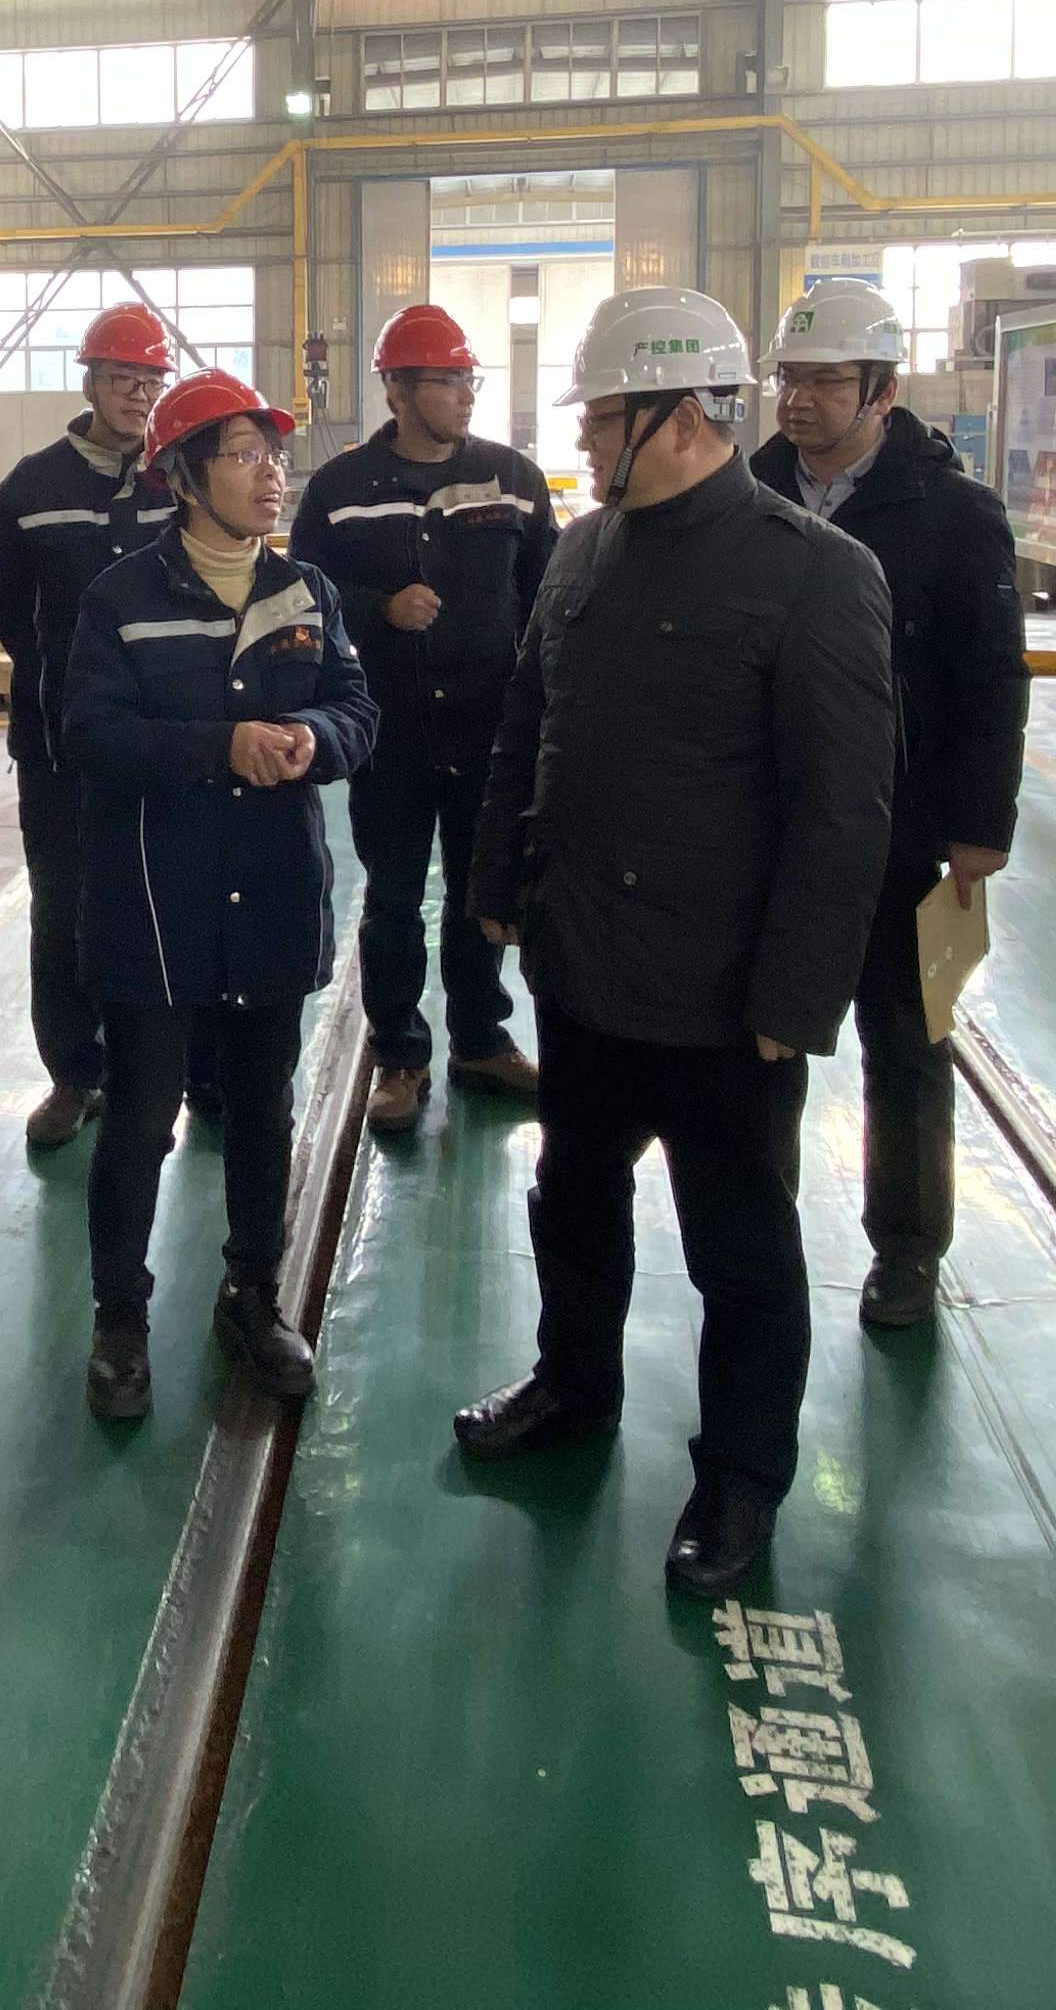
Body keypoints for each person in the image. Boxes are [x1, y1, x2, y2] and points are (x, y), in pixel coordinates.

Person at [455, 288, 896, 1595]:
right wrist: (498, 880)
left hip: (724, 995)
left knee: (739, 1247)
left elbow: (844, 811)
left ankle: (742, 1478)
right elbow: (528, 726)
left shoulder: (815, 572)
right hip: (585, 964)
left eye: (603, 416)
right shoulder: (583, 554)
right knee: (572, 1195)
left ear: (679, 414)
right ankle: (573, 1384)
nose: (586, 439)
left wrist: (796, 998)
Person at [62, 368, 378, 1420]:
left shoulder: (306, 591)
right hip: (157, 904)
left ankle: (252, 1294)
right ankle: (119, 1319)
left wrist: (316, 739)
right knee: (142, 1118)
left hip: (273, 895)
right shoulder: (122, 599)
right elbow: (91, 736)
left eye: (272, 454)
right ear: (185, 478)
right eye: (244, 455)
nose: (271, 474)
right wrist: (219, 747)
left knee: (261, 1110)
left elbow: (355, 707)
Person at [745, 278, 1024, 1328]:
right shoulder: (744, 497)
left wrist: (979, 827)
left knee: (906, 1043)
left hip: (900, 830)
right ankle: (755, 1221)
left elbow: (992, 676)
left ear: (882, 391)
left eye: (826, 380)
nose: (799, 399)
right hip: (770, 823)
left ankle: (907, 1246)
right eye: (789, 378)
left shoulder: (953, 514)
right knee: (758, 1034)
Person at [288, 300, 557, 1133]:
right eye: (448, 380)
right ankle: (400, 1054)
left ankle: (480, 1039)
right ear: (399, 391)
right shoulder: (340, 490)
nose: (467, 394)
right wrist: (378, 608)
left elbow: (547, 598)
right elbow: (301, 595)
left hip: (488, 732)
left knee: (484, 893)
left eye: (469, 378)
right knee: (394, 901)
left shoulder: (513, 480)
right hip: (391, 735)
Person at [0, 302, 177, 1149]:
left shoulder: (179, 477)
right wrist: (61, 681)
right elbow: (4, 604)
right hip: (57, 746)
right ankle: (73, 1073)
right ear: (90, 382)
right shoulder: (32, 488)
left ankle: (169, 1072)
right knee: (63, 911)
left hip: (163, 738)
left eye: (151, 380)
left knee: (166, 901)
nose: (139, 393)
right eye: (123, 377)